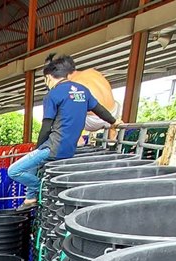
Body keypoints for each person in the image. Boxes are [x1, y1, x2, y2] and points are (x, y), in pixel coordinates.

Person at [8, 54, 121, 205]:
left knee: (14, 171)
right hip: (69, 149)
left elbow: (46, 127)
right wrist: (114, 121)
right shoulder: (83, 91)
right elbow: (100, 110)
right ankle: (30, 198)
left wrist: (38, 149)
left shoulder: (53, 95)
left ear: (48, 77)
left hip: (54, 147)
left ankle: (40, 187)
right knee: (34, 165)